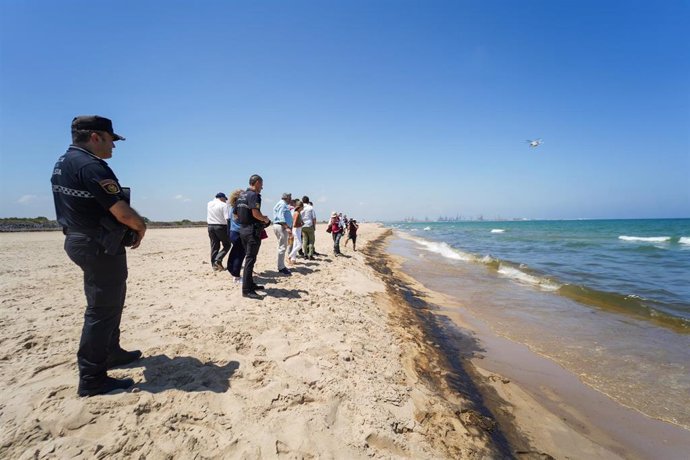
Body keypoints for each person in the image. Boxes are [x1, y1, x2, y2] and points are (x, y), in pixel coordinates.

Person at [51, 115, 147, 397]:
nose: (114, 147)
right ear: (95, 137)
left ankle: (111, 352)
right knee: (102, 308)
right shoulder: (91, 166)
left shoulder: (64, 162)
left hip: (83, 240)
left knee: (110, 301)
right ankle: (92, 378)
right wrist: (140, 227)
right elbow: (122, 212)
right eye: (111, 140)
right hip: (97, 243)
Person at [236, 175, 271, 299]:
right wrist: (265, 219)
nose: (262, 187)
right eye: (261, 184)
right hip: (251, 231)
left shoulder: (241, 195)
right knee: (250, 259)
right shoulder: (254, 195)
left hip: (243, 230)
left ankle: (250, 284)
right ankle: (246, 290)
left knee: (250, 258)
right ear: (256, 183)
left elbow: (236, 213)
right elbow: (255, 213)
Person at [207, 192, 230, 271]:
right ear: (222, 198)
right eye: (225, 199)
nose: (225, 201)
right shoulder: (224, 205)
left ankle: (214, 265)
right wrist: (229, 228)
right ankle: (218, 259)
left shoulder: (209, 203)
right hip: (220, 226)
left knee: (214, 246)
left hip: (210, 226)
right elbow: (227, 218)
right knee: (227, 245)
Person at [226, 189, 245, 284]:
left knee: (235, 252)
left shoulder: (232, 207)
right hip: (238, 232)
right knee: (240, 255)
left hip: (232, 232)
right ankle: (236, 276)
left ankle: (231, 269)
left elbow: (229, 221)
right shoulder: (240, 207)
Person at [272, 192, 293, 275]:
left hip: (278, 226)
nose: (291, 199)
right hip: (281, 226)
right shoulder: (282, 204)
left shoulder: (279, 204)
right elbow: (281, 217)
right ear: (286, 198)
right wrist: (287, 227)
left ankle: (281, 265)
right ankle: (281, 267)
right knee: (282, 247)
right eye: (290, 198)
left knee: (281, 246)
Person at [288, 200, 304, 264]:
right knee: (299, 245)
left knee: (295, 245)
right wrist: (301, 224)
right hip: (296, 230)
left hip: (298, 230)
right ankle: (289, 256)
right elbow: (294, 224)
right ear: (300, 207)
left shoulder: (297, 212)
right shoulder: (297, 213)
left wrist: (301, 223)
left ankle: (293, 260)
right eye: (302, 207)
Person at [300, 196, 316, 260]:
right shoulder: (310, 208)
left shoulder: (301, 208)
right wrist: (314, 226)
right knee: (311, 241)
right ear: (308, 201)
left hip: (303, 226)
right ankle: (310, 255)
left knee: (304, 240)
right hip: (310, 225)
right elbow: (314, 218)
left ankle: (305, 254)